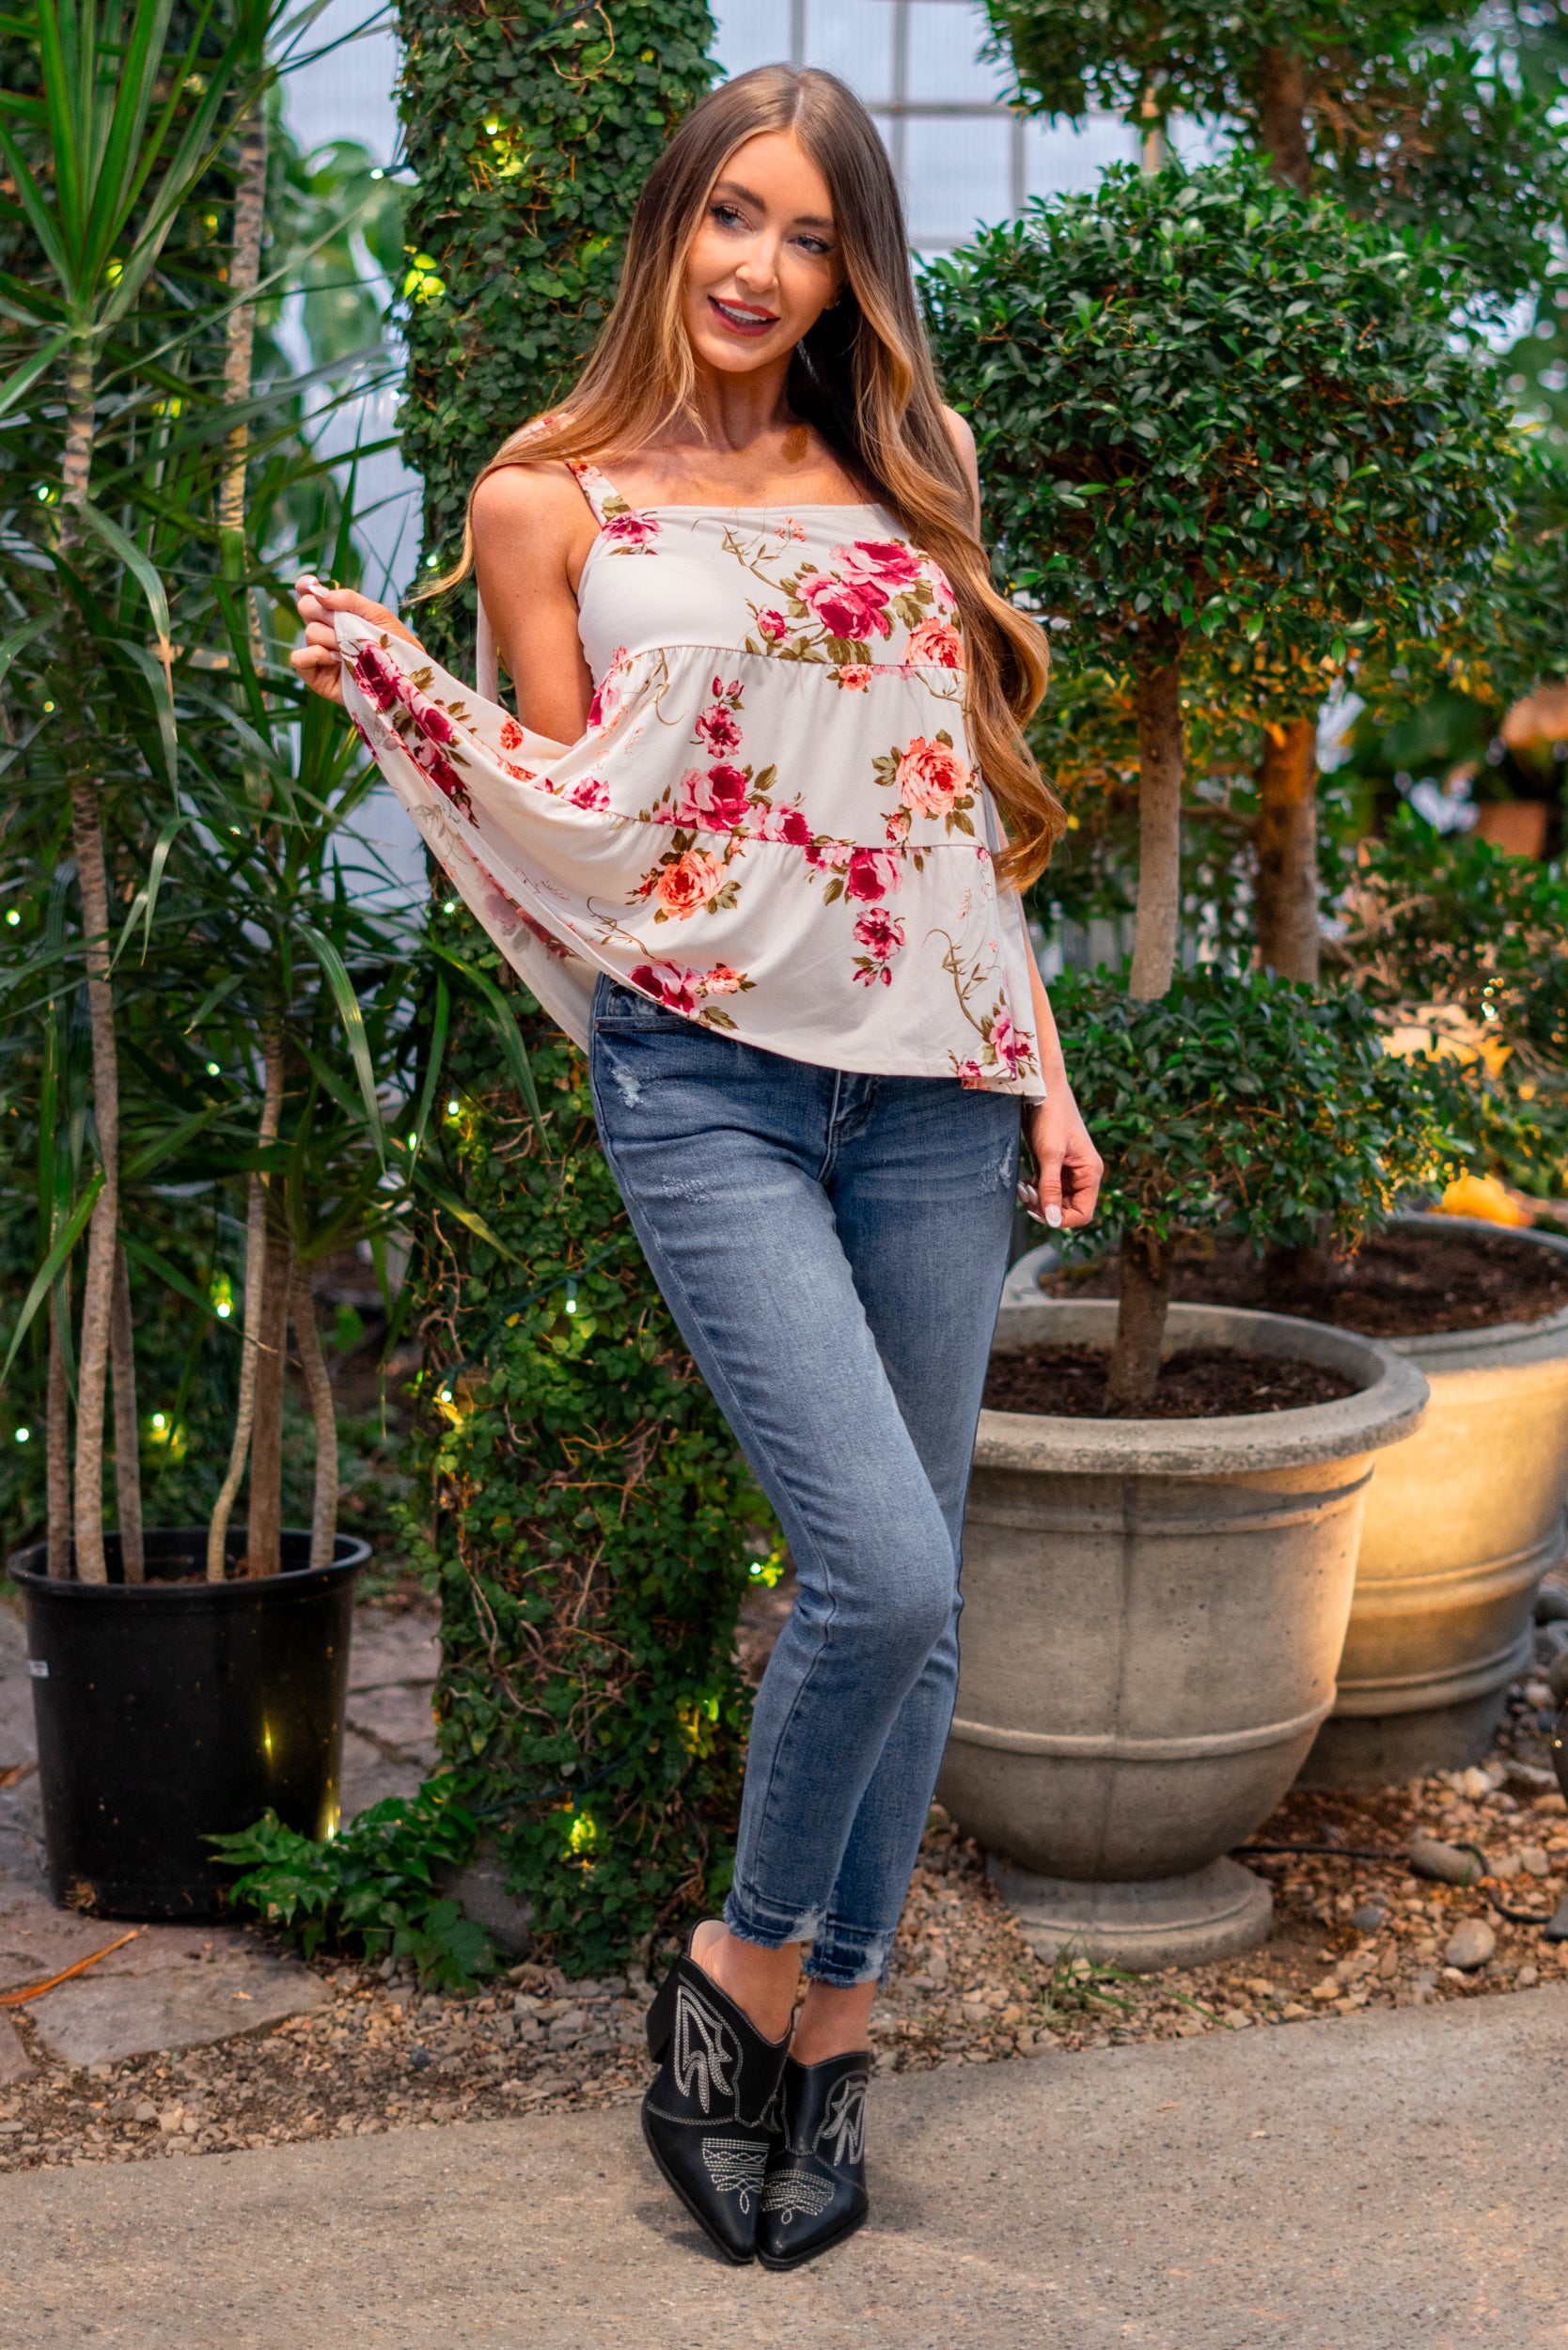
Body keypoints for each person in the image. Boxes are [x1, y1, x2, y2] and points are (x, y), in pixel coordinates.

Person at [292, 61, 1102, 2273]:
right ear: (671, 227)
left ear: (852, 272)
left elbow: (943, 802)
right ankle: (743, 1963)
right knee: (884, 1572)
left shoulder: (911, 464)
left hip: (936, 1084)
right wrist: (409, 701)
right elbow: (579, 826)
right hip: (712, 1080)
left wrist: (1038, 1068)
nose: (764, 267)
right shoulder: (545, 500)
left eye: (812, 235)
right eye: (734, 216)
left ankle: (836, 2023)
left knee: (922, 1592)